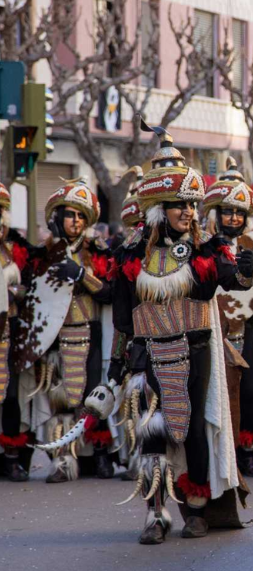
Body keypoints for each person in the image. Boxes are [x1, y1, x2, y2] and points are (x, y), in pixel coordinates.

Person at [111, 123, 253, 543]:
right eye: (181, 205)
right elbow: (123, 317)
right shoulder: (130, 257)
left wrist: (244, 270)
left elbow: (233, 281)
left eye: (193, 205)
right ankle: (155, 515)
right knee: (153, 433)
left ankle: (195, 508)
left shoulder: (206, 248)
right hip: (149, 352)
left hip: (197, 349)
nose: (189, 212)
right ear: (159, 207)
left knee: (192, 430)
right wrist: (116, 365)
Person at [33, 178, 115, 483]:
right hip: (55, 337)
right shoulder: (45, 253)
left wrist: (82, 274)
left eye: (81, 216)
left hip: (90, 334)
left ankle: (101, 457)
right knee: (62, 403)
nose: (76, 221)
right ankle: (63, 462)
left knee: (96, 397)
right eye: (70, 214)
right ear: (58, 217)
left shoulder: (98, 250)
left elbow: (108, 292)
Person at [202, 157, 253, 479]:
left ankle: (247, 454)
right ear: (216, 214)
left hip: (248, 331)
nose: (232, 217)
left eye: (238, 213)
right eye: (227, 211)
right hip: (211, 330)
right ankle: (217, 451)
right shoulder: (203, 246)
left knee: (249, 394)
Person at [0, 183, 36, 481]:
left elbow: (31, 287)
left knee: (10, 395)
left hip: (8, 333)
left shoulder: (15, 249)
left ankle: (12, 457)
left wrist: (17, 292)